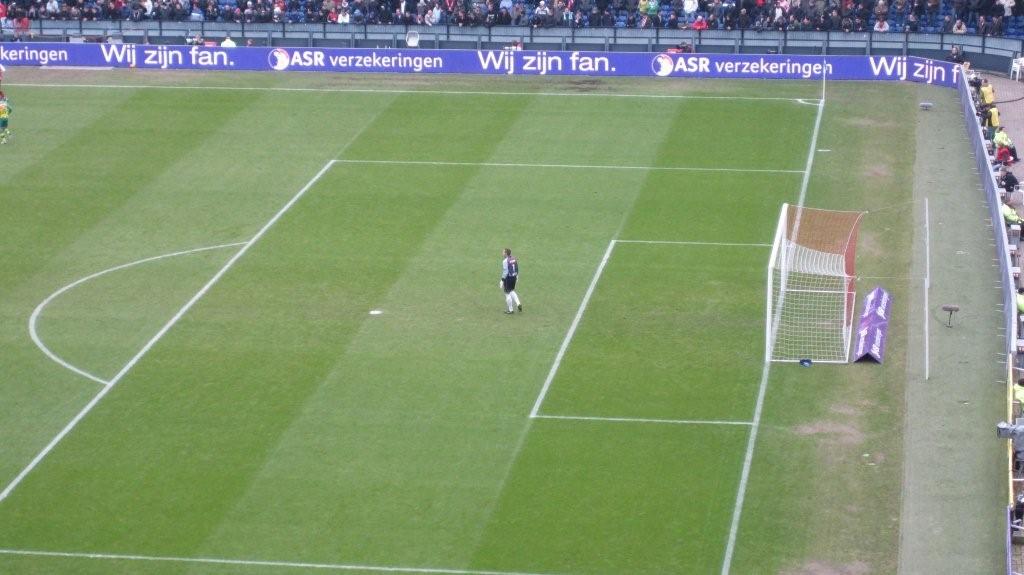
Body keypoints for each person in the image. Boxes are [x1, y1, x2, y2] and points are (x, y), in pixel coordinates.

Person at [499, 248, 522, 314]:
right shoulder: (514, 258)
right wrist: (517, 276)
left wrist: (502, 280)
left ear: (506, 253)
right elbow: (517, 268)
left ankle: (510, 310)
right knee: (511, 290)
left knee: (507, 293)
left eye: (503, 252)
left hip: (508, 278)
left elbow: (505, 271)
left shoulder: (505, 261)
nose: (502, 253)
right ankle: (518, 303)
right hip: (514, 277)